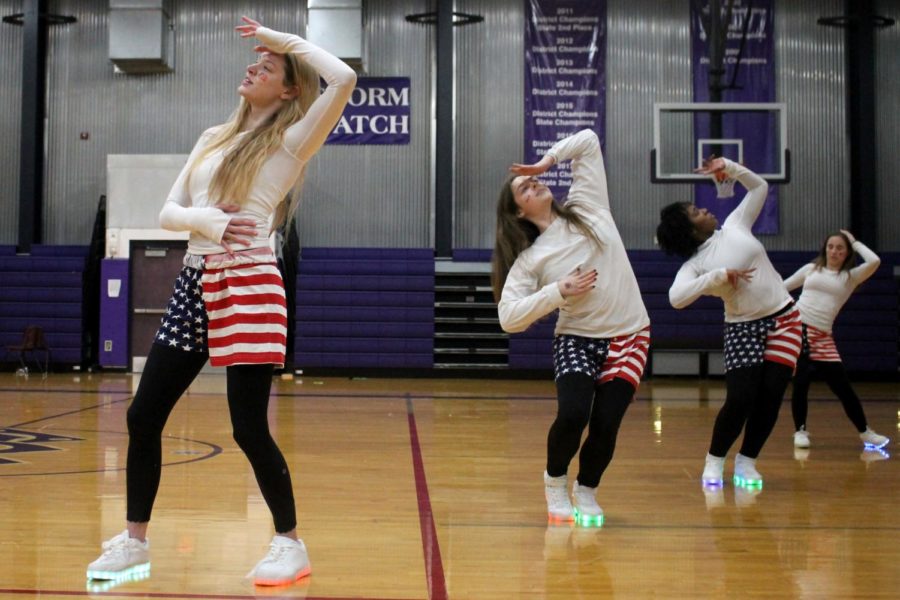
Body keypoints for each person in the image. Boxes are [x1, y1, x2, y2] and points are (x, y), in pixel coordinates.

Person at [86, 16, 356, 586]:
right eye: (255, 58)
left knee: (247, 427)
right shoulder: (214, 135)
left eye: (269, 65)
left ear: (288, 89)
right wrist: (203, 219)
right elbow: (167, 212)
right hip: (195, 279)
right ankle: (134, 542)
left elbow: (342, 79)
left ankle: (290, 543)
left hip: (251, 283)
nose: (253, 64)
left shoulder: (292, 138)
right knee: (143, 414)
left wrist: (284, 40)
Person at [492, 129, 651, 525]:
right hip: (577, 339)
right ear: (517, 212)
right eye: (525, 188)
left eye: (535, 180)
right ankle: (555, 481)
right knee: (574, 413)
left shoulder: (588, 206)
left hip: (630, 334)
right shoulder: (531, 259)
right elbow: (508, 317)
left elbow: (589, 140)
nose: (535, 183)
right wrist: (557, 292)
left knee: (606, 424)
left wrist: (546, 160)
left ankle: (587, 489)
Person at [656, 157, 801, 489]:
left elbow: (760, 187)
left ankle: (747, 462)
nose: (705, 211)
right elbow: (676, 299)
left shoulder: (735, 225)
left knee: (771, 396)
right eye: (696, 213)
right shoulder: (696, 264)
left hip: (785, 319)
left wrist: (730, 168)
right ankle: (715, 461)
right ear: (690, 230)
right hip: (742, 327)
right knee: (740, 398)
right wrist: (718, 276)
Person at [783, 230, 889, 450]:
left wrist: (855, 241)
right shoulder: (811, 269)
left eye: (840, 248)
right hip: (798, 330)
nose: (834, 251)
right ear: (825, 248)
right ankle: (800, 431)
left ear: (847, 253)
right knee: (801, 384)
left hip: (823, 336)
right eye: (831, 246)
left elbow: (875, 261)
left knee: (843, 387)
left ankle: (865, 432)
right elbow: (783, 288)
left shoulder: (851, 277)